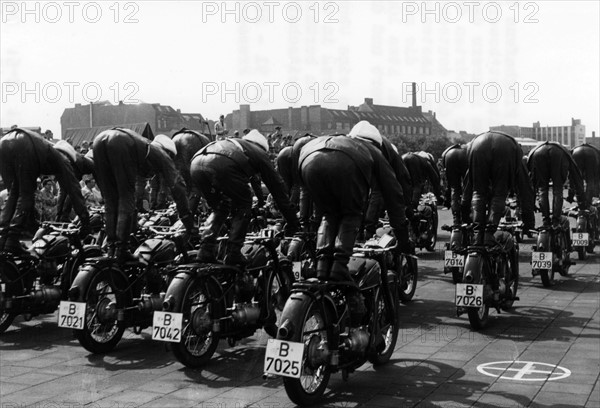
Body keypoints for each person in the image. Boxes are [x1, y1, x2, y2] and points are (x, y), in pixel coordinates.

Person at [298, 121, 411, 325]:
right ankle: (340, 266)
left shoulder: (343, 140)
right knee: (351, 214)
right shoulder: (373, 151)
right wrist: (403, 237)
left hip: (309, 157)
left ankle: (322, 266)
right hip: (335, 163)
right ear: (376, 143)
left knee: (329, 214)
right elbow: (394, 194)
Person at [190, 129, 299, 266]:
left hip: (196, 162)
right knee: (243, 205)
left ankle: (205, 250)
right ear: (262, 147)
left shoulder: (237, 145)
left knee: (220, 208)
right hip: (222, 163)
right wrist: (293, 222)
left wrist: (260, 200)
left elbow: (255, 181)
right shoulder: (259, 153)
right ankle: (233, 253)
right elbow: (278, 190)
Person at [92, 128, 195, 263]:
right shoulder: (161, 154)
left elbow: (139, 189)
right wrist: (187, 219)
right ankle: (122, 250)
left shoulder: (143, 151)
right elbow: (178, 186)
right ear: (168, 153)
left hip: (99, 140)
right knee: (126, 197)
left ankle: (111, 248)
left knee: (111, 200)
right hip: (121, 142)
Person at [0, 128, 90, 254]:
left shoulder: (53, 153)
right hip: (24, 144)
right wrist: (85, 219)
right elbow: (74, 190)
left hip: (4, 142)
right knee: (26, 195)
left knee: (13, 195)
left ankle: (3, 237)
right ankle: (11, 240)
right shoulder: (64, 160)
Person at [462, 131, 535, 246]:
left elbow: (468, 185)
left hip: (476, 144)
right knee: (499, 195)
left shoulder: (475, 143)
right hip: (504, 148)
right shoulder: (515, 153)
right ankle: (489, 234)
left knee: (478, 193)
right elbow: (525, 188)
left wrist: (464, 216)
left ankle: (477, 235)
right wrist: (528, 221)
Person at [527, 141, 586, 250]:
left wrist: (530, 204)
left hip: (537, 152)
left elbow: (530, 183)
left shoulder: (537, 151)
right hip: (558, 154)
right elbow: (576, 176)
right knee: (557, 189)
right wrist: (581, 201)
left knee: (542, 189)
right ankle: (556, 220)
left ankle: (545, 220)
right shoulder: (562, 151)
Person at [172, 128, 211, 214]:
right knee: (195, 185)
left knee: (181, 181)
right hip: (192, 143)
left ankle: (183, 209)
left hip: (175, 138)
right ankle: (188, 214)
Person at [54, 140, 95, 221]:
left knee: (64, 191)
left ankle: (60, 216)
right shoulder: (88, 163)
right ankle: (63, 216)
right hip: (74, 163)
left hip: (67, 160)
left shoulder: (82, 160)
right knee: (69, 191)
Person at [441, 143, 469, 226]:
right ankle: (466, 216)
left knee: (454, 188)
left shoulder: (449, 150)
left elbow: (449, 185)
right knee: (467, 187)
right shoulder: (467, 149)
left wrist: (446, 200)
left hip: (449, 156)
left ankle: (456, 218)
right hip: (465, 156)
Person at [570, 143, 600, 208]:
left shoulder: (574, 149)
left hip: (576, 152)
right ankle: (588, 204)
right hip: (592, 154)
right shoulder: (596, 151)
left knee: (577, 181)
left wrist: (570, 195)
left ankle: (581, 204)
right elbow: (597, 177)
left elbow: (572, 178)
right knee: (590, 181)